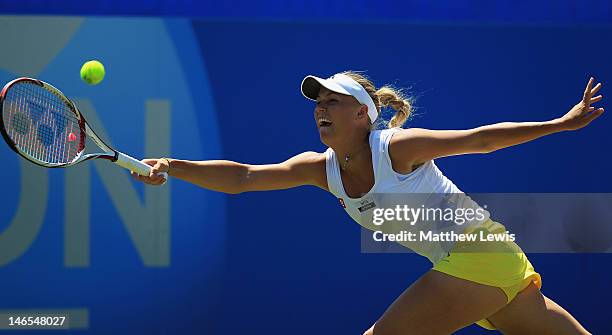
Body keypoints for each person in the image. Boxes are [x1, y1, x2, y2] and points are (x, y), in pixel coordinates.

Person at [132, 71, 603, 334]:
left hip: (478, 257)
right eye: (317, 103)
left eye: (332, 101)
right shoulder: (320, 169)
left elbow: (480, 141)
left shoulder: (397, 147)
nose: (320, 108)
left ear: (363, 114)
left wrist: (559, 124)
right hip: (490, 266)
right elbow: (245, 178)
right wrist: (173, 166)